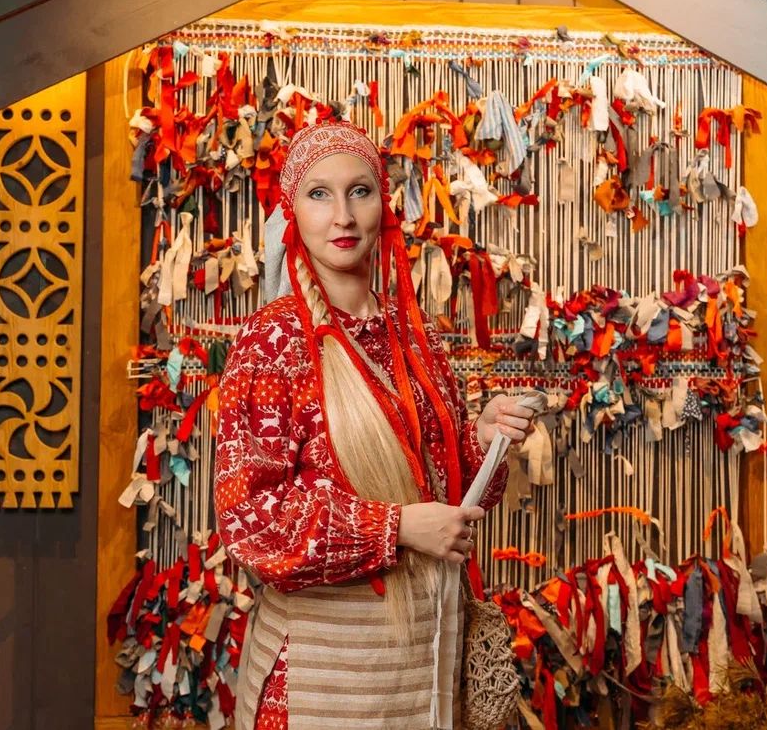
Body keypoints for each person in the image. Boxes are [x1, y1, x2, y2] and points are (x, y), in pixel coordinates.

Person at [214, 121, 536, 729]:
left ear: (382, 204)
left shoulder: (417, 337)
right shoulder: (274, 341)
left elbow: (446, 500)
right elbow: (251, 521)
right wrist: (396, 528)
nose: (342, 216)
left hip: (423, 668)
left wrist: (482, 442)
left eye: (359, 191)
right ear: (292, 211)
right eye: (319, 194)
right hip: (325, 677)